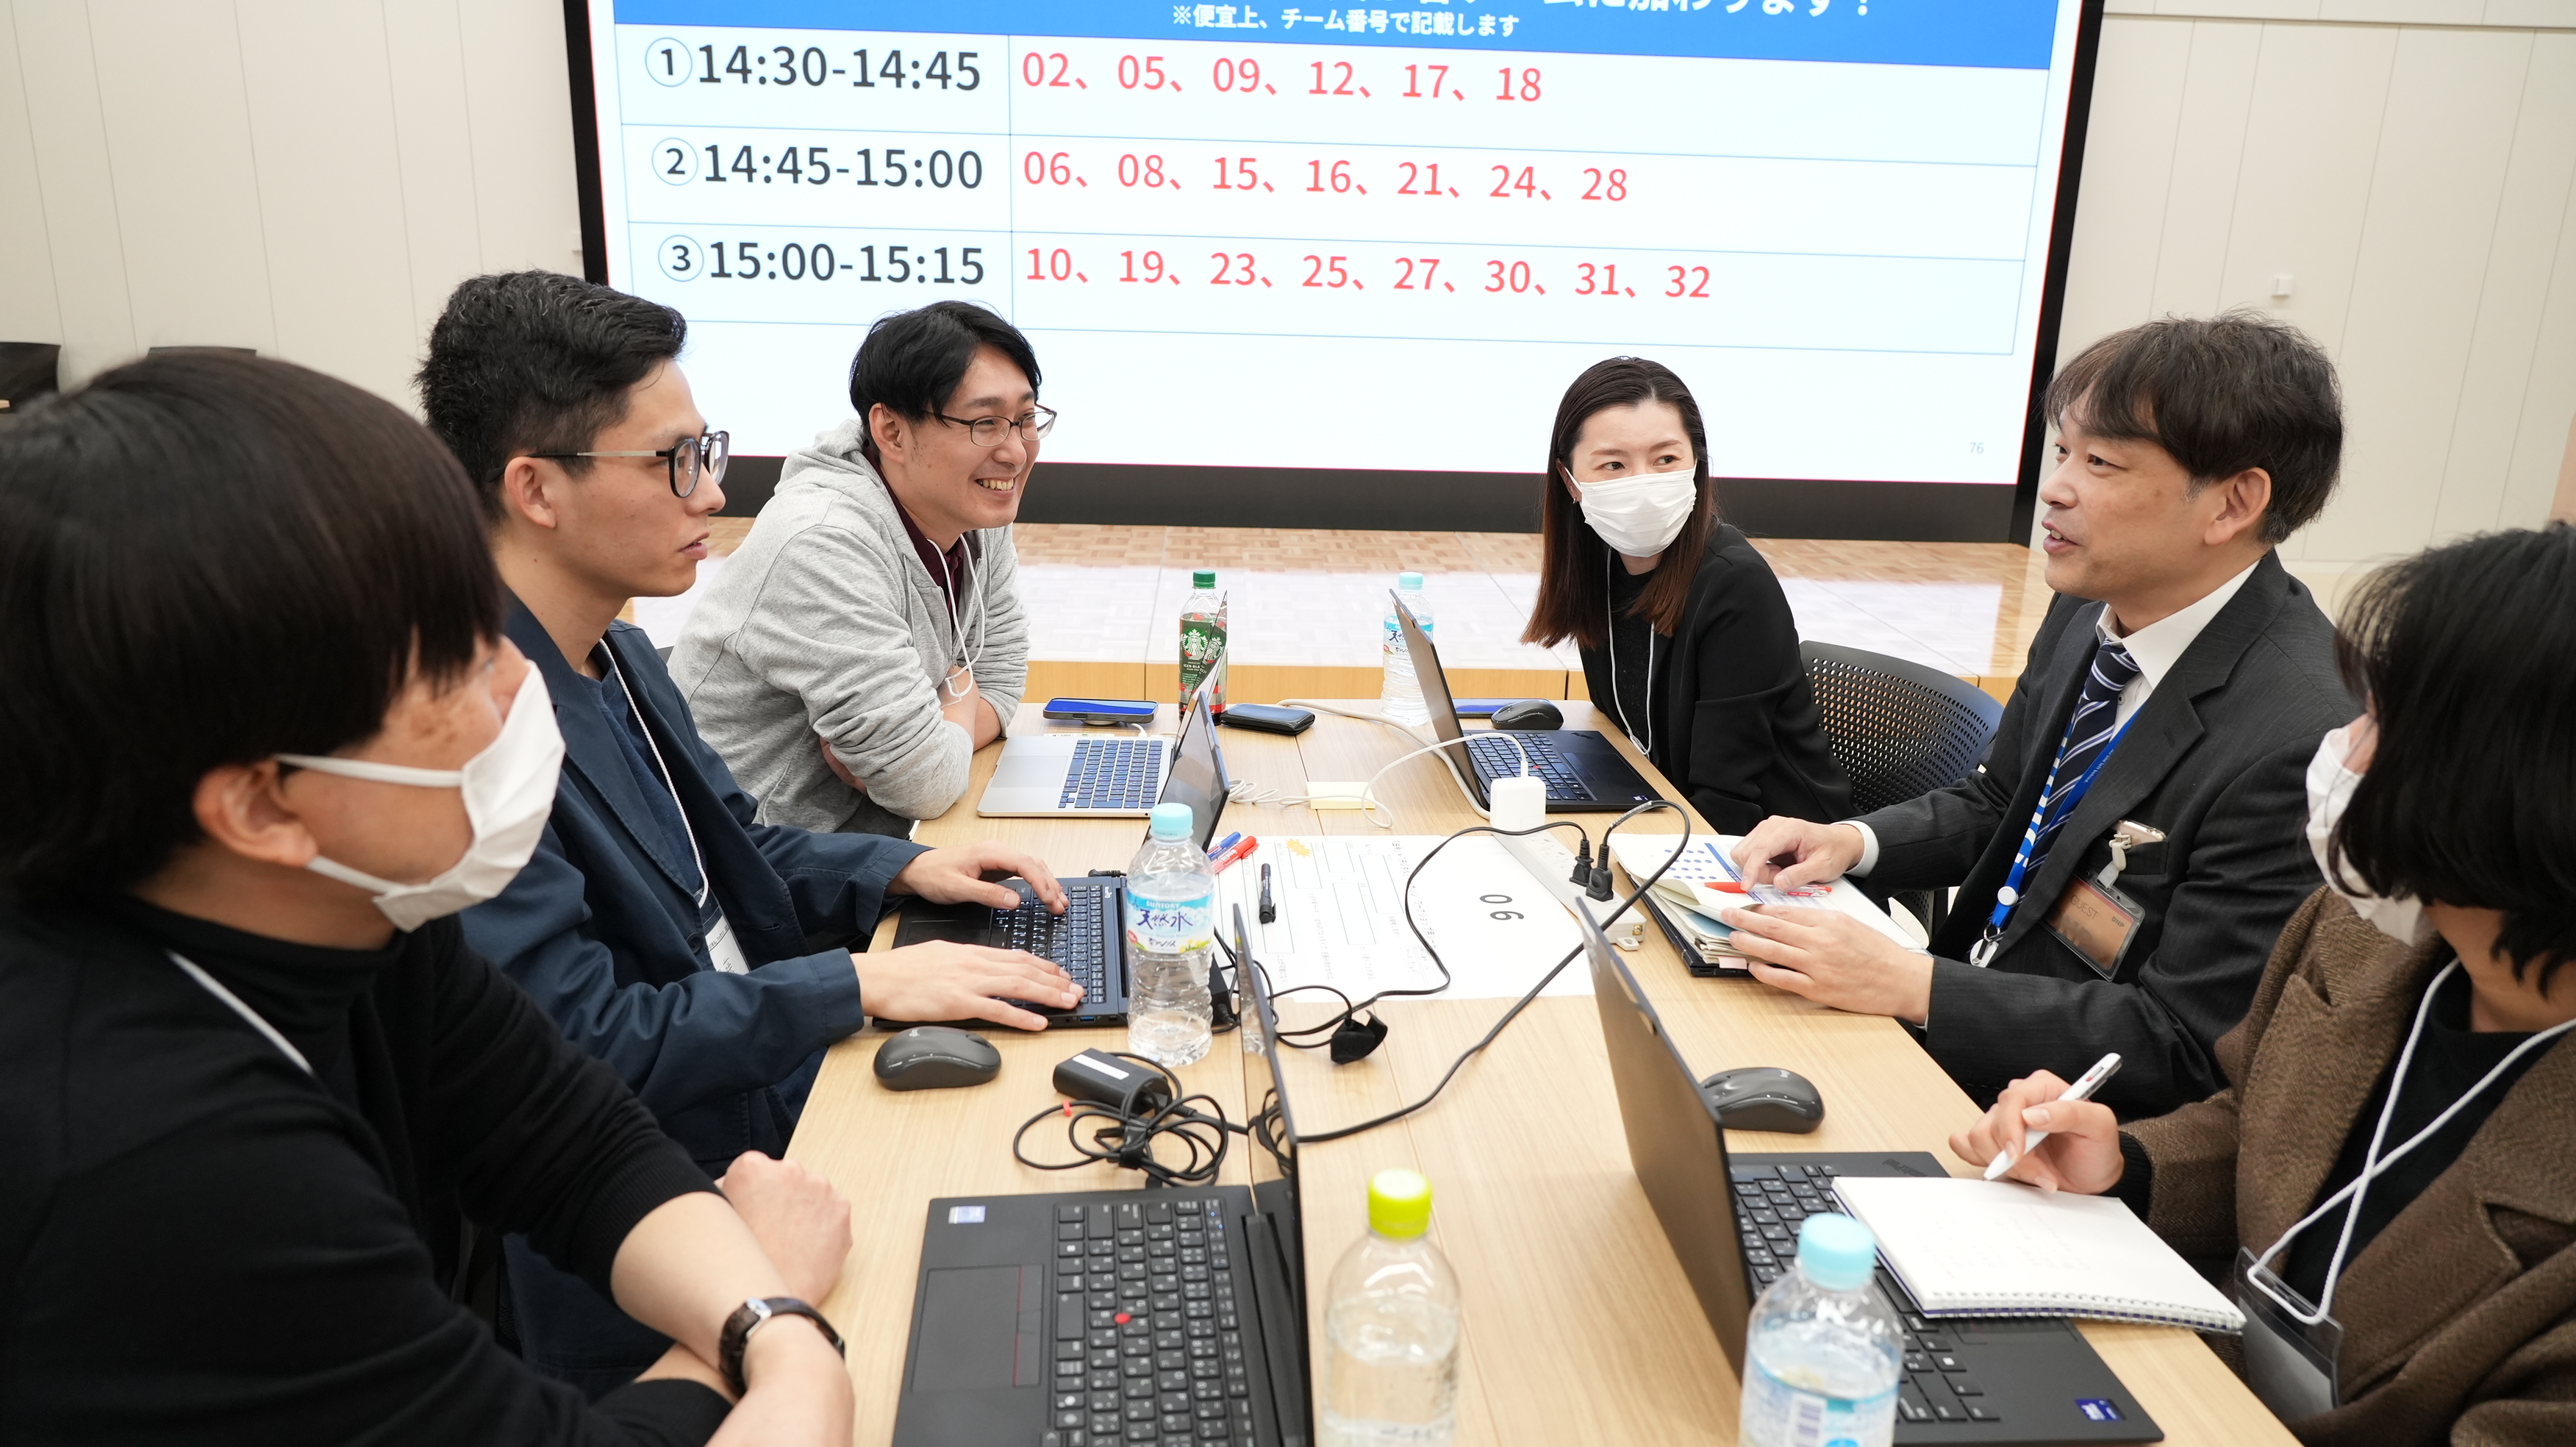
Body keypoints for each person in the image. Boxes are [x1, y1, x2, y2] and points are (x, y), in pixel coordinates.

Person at [0, 351, 854, 1443]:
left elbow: (571, 1142)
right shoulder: (158, 1169)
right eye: (452, 667)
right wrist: (784, 1348)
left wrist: (761, 1321)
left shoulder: (342, 910)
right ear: (261, 807)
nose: (515, 683)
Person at [417, 272, 1080, 1393]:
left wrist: (910, 865)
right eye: (674, 462)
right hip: (661, 1212)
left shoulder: (617, 653)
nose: (712, 495)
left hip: (763, 1088)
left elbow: (741, 853)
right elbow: (583, 1038)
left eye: (708, 450)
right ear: (536, 489)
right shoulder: (471, 723)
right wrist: (857, 991)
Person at [1950, 525, 2576, 1446]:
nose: (2338, 744)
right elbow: (2260, 1115)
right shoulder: (2365, 935)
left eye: (2376, 720)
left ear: (2504, 783)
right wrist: (2126, 1160)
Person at [1725, 312, 2357, 1118]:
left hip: (2066, 1133)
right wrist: (1853, 842)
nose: (2057, 486)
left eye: (2101, 462)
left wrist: (1912, 983)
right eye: (2062, 451)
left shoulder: (2304, 737)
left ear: (2233, 503)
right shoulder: (2090, 611)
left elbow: (2183, 1043)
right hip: (1952, 1039)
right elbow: (2003, 801)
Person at [672, 301, 1040, 837]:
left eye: (1026, 420)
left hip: (871, 852)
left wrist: (943, 720)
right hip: (759, 877)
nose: (1014, 452)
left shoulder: (974, 509)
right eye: (984, 423)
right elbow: (924, 782)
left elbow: (1002, 683)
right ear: (890, 431)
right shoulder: (823, 543)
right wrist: (952, 711)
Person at [1520, 356, 1854, 834]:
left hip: (1775, 861)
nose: (1643, 484)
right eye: (1613, 464)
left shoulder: (1735, 584)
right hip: (1669, 822)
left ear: (1696, 464)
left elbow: (1727, 803)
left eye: (1666, 460)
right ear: (1570, 481)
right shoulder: (1604, 563)